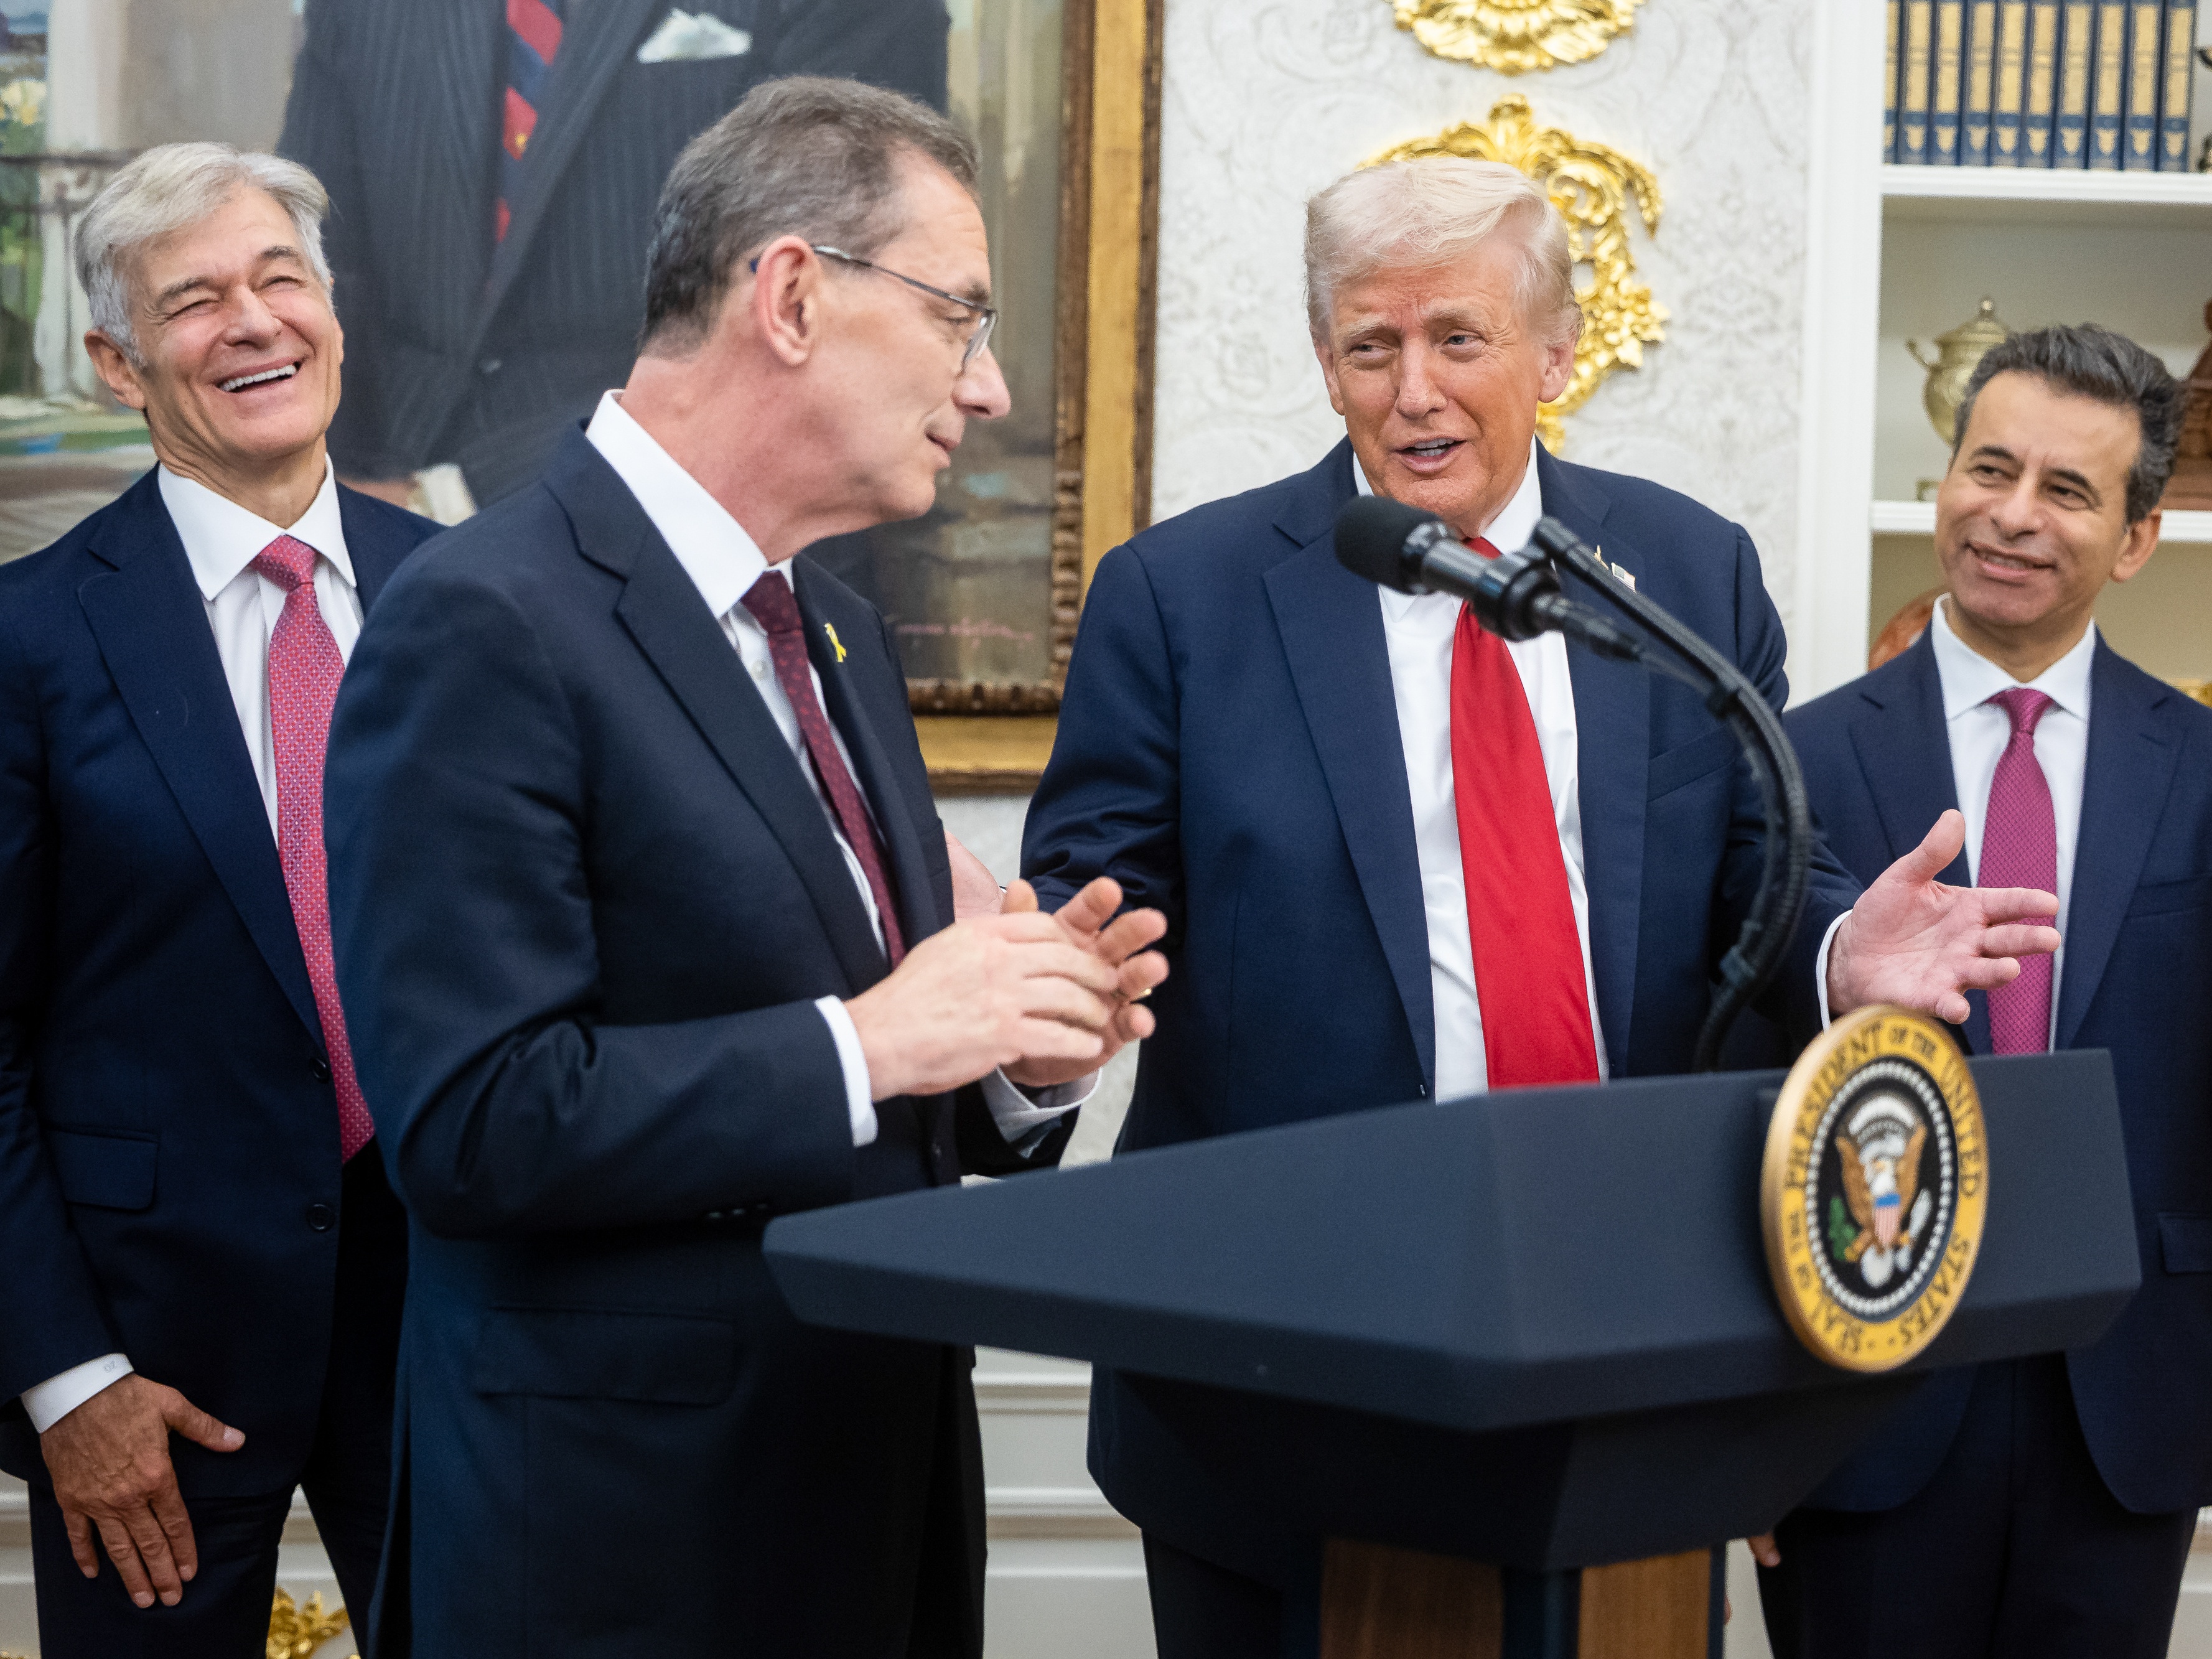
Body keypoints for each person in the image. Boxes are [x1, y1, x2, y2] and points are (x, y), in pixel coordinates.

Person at [1018, 156, 2065, 1658]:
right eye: (1368, 347)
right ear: (1324, 363)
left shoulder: (1685, 571)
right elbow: (1089, 910)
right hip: (1282, 1349)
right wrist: (1049, 988)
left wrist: (1842, 951)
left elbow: (1765, 871)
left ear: (1554, 351)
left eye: (1457, 337)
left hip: (1617, 1324)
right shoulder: (1178, 594)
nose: (1410, 389)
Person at [321, 77, 1166, 1658]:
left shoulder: (833, 629)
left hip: (866, 1501)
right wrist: (888, 1035)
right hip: (611, 1543)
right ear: (789, 295)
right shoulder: (481, 618)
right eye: (959, 318)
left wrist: (1016, 1061)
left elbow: (879, 1085)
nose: (985, 388)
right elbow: (472, 1122)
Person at [0, 145, 437, 1655]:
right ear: (120, 358)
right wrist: (65, 1378)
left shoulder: (476, 600)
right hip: (151, 1376)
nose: (253, 322)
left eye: (280, 280)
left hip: (453, 1332)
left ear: (332, 311)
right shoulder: (30, 640)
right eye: (195, 300)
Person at [1754, 325, 2212, 1659]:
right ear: (1941, 481)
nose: (2010, 517)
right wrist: (1739, 1416)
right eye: (1986, 469)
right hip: (1851, 1401)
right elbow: (1725, 1073)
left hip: (2126, 1402)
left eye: (2065, 490)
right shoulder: (1790, 761)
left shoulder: (2200, 767)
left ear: (2133, 538)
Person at [278, 0, 953, 511]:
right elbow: (317, 255)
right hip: (381, 540)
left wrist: (447, 498)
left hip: (696, 539)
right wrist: (317, 494)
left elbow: (807, 307)